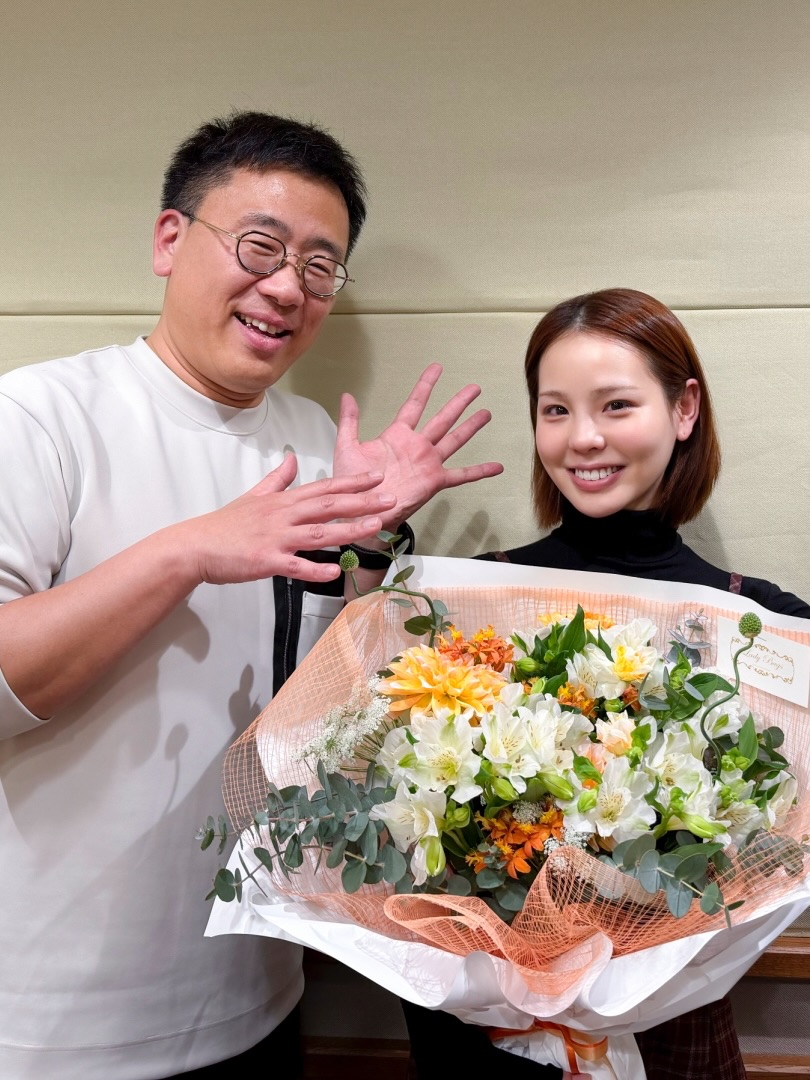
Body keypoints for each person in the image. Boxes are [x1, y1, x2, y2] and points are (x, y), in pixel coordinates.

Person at [0, 111, 502, 1080]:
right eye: (260, 247)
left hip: (259, 988)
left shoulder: (316, 440)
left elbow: (334, 714)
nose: (286, 287)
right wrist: (187, 551)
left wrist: (369, 544)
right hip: (51, 1016)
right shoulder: (41, 416)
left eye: (320, 267)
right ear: (169, 239)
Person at [403, 287, 809, 1080]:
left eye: (616, 405)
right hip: (482, 1026)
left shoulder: (761, 624)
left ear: (684, 408)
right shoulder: (472, 599)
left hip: (672, 1016)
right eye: (555, 411)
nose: (583, 437)